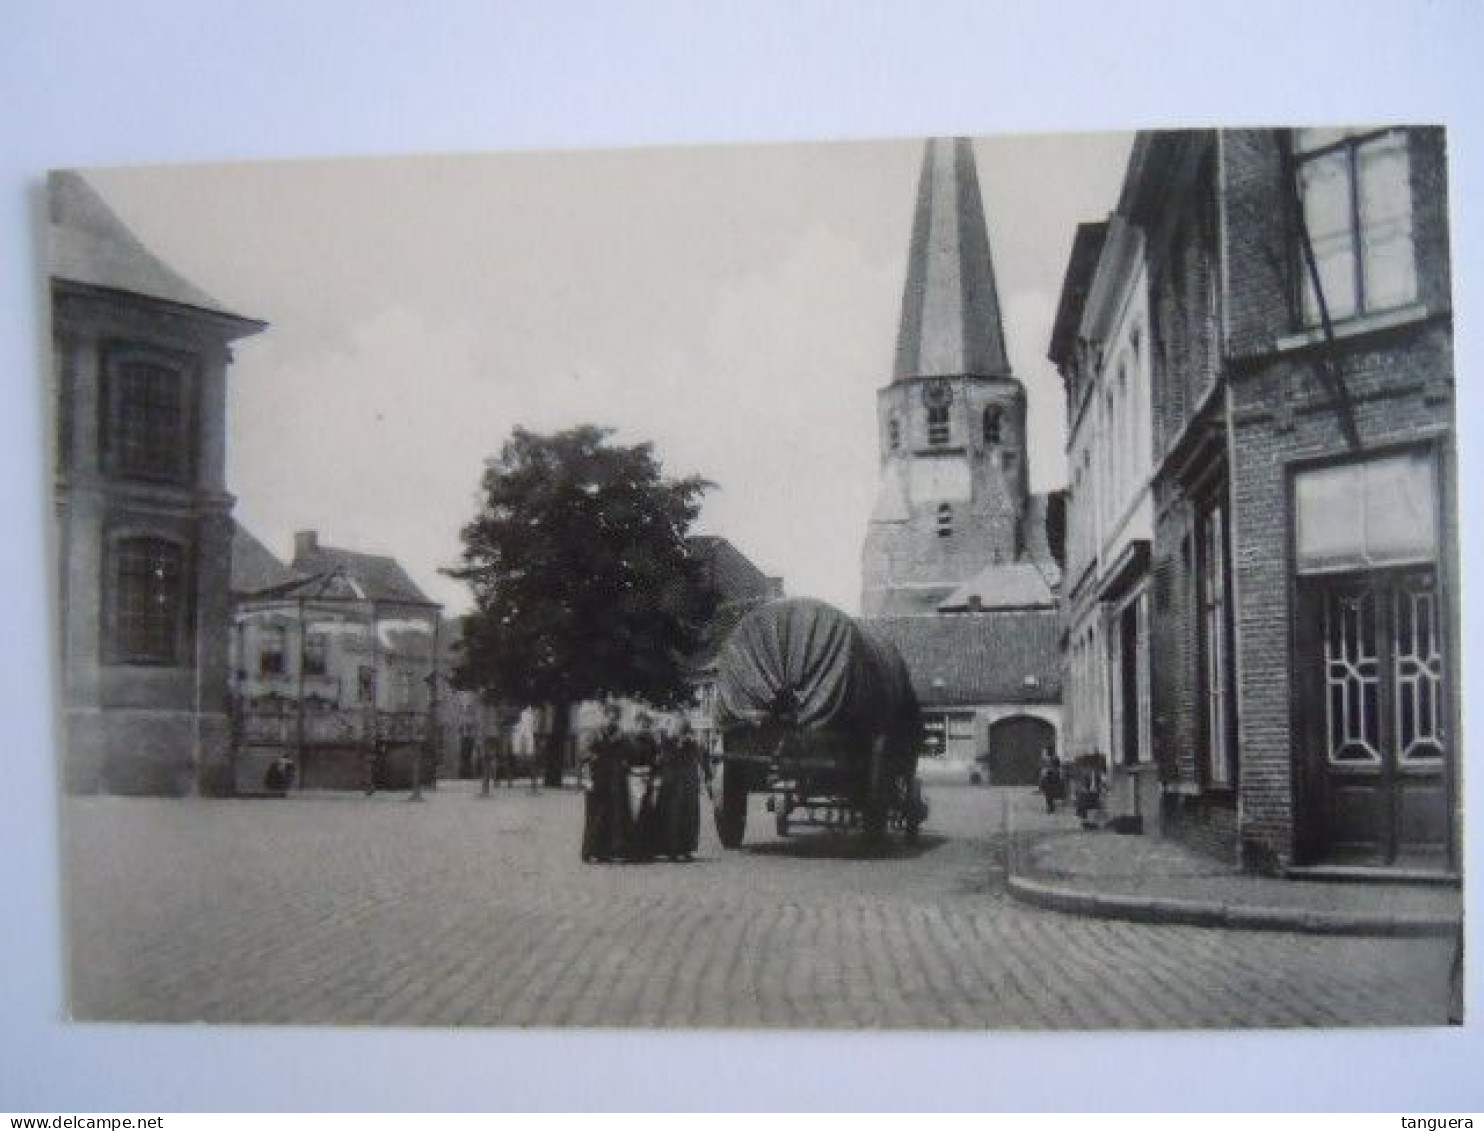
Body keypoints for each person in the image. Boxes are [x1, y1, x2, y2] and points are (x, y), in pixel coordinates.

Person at [1038, 748, 1063, 814]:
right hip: (1048, 779)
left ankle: (1050, 806)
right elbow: (1042, 768)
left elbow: (1057, 768)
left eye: (1046, 752)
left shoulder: (1052, 759)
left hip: (1051, 779)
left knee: (1049, 794)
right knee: (1049, 794)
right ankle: (1050, 806)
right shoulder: (1046, 759)